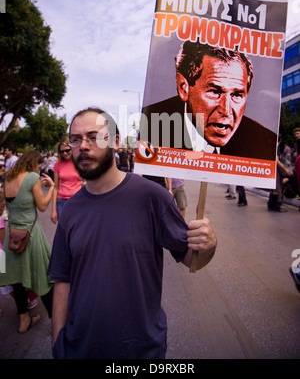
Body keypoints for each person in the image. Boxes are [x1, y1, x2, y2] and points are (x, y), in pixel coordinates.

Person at [48, 107, 217, 359]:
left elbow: (193, 260)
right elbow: (63, 279)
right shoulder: (70, 209)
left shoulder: (152, 197)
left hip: (140, 350)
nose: (83, 145)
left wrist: (209, 244)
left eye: (94, 137)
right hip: (79, 348)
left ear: (115, 141)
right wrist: (58, 343)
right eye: (76, 139)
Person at [140, 41, 277, 160]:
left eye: (236, 95)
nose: (226, 110)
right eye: (215, 92)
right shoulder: (153, 125)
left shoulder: (262, 141)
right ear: (184, 88)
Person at [0, 150, 55, 333]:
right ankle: (57, 321)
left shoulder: (7, 177)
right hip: (31, 234)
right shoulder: (31, 177)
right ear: (34, 164)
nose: (40, 171)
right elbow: (42, 205)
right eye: (39, 167)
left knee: (18, 278)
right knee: (45, 275)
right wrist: (52, 188)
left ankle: (23, 318)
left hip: (12, 236)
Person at [51, 137, 82, 224]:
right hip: (61, 202)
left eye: (67, 150)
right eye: (62, 151)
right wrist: (53, 209)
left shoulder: (80, 163)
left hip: (78, 200)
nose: (64, 153)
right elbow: (55, 187)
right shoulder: (58, 164)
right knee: (63, 230)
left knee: (79, 229)